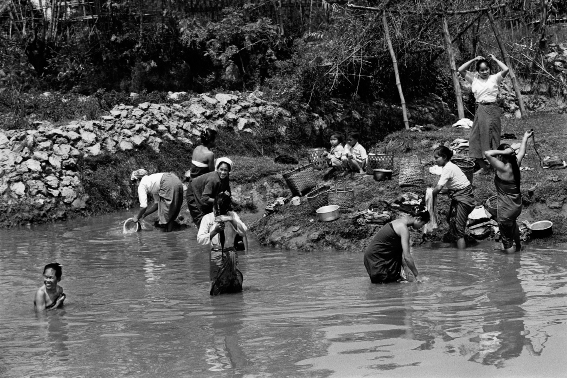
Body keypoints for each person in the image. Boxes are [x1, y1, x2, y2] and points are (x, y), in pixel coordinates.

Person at [458, 54, 509, 175]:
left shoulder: (495, 78)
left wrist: (495, 59)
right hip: (480, 110)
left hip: (492, 109)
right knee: (474, 139)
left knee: (492, 138)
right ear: (478, 71)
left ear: (490, 69)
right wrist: (474, 59)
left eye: (486, 69)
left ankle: (495, 167)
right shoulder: (474, 80)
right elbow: (460, 70)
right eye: (482, 70)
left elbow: (506, 69)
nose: (485, 72)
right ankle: (484, 167)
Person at [485, 130, 532, 253]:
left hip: (506, 209)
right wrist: (525, 137)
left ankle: (511, 263)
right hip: (516, 206)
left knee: (506, 241)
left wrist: (505, 150)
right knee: (513, 224)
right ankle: (518, 247)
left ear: (501, 156)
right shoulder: (515, 163)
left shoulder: (502, 168)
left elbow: (487, 153)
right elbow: (522, 151)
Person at [197, 192, 248, 295]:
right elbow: (200, 239)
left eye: (222, 209)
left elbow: (243, 232)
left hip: (231, 253)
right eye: (216, 208)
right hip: (216, 253)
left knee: (234, 286)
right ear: (214, 206)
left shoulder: (232, 215)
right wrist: (214, 231)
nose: (218, 211)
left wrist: (232, 220)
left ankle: (233, 307)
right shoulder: (207, 218)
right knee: (217, 286)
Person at [364, 211, 430, 284]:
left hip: (373, 257)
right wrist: (417, 276)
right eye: (423, 224)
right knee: (386, 287)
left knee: (390, 284)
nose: (421, 227)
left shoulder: (398, 222)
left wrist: (405, 268)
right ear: (418, 219)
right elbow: (407, 257)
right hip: (377, 259)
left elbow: (397, 250)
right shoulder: (403, 229)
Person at [431, 146, 475, 249]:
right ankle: (454, 243)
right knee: (451, 220)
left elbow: (438, 187)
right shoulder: (450, 166)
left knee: (459, 231)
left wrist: (430, 195)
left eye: (437, 157)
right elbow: (455, 185)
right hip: (461, 195)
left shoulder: (448, 168)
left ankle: (460, 259)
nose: (435, 160)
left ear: (445, 157)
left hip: (463, 198)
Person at [186, 129, 217, 225]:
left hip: (191, 186)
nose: (216, 142)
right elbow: (212, 173)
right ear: (211, 141)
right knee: (205, 214)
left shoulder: (197, 148)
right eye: (215, 140)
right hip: (200, 187)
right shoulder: (210, 154)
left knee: (197, 214)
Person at [191, 157, 232, 227]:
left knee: (214, 213)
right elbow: (204, 198)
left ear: (228, 171)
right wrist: (218, 200)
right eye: (221, 169)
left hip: (205, 191)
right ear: (217, 169)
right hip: (194, 190)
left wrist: (227, 198)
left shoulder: (226, 178)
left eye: (225, 170)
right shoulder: (213, 180)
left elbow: (228, 192)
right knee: (202, 219)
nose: (223, 172)